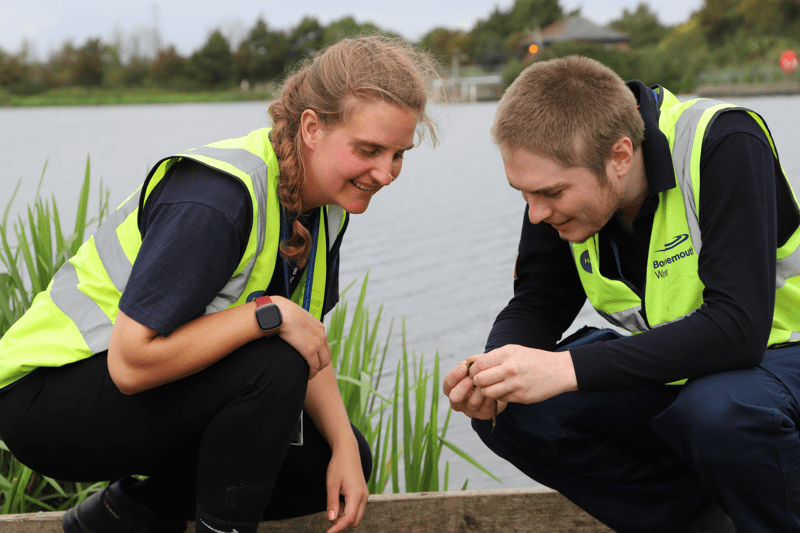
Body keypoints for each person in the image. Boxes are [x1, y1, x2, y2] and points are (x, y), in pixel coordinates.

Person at [0, 35, 438, 533]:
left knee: (333, 462)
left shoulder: (325, 207)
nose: (385, 173)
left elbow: (308, 342)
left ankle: (124, 514)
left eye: (398, 154)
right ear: (312, 128)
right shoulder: (216, 201)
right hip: (46, 402)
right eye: (369, 150)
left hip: (129, 393)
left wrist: (344, 449)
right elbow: (130, 364)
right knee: (271, 362)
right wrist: (266, 315)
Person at [444, 55, 800, 533]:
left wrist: (566, 368)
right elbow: (539, 302)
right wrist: (494, 372)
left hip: (779, 358)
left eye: (549, 193)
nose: (534, 214)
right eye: (522, 193)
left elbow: (738, 331)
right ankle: (705, 523)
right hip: (685, 374)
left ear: (620, 155)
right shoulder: (564, 193)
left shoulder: (723, 142)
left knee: (718, 413)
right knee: (516, 414)